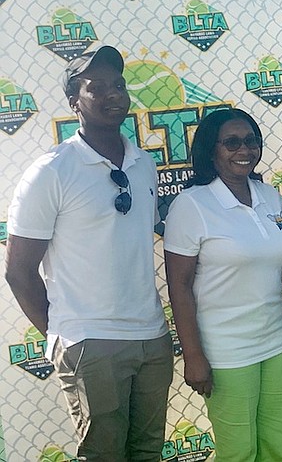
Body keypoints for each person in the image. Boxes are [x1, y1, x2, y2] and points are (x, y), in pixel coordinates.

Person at [4, 45, 174, 460]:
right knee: (103, 455)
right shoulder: (50, 172)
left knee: (147, 452)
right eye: (97, 88)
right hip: (90, 343)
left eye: (119, 85)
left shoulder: (143, 164)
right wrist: (67, 335)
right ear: (73, 103)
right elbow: (18, 271)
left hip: (151, 337)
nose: (114, 94)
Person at [163, 108, 282, 462]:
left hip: (277, 342)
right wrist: (193, 356)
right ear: (211, 150)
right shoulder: (192, 205)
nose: (245, 150)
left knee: (275, 446)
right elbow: (179, 286)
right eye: (232, 143)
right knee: (238, 452)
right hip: (226, 351)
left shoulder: (269, 195)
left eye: (251, 141)